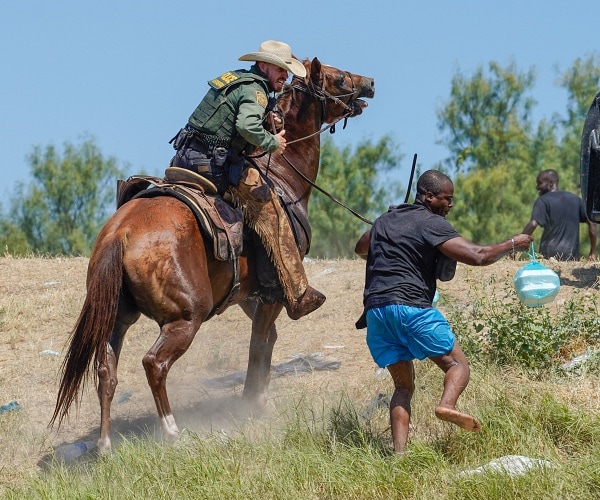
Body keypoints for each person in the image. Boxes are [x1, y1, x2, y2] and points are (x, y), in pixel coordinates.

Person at [355, 170, 533, 453]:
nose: (450, 205)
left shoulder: (385, 220)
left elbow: (361, 247)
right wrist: (512, 244)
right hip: (411, 307)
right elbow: (478, 255)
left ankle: (399, 455)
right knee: (457, 365)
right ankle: (447, 406)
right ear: (428, 196)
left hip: (377, 313)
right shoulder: (431, 223)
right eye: (446, 199)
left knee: (402, 387)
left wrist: (387, 225)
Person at [168, 40, 325, 320]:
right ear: (264, 65)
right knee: (272, 209)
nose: (285, 76)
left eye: (286, 71)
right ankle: (297, 292)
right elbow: (246, 125)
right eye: (280, 70)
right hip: (214, 166)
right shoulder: (257, 91)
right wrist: (272, 142)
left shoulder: (237, 81)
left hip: (185, 159)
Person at [522, 169, 597, 261]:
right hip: (571, 257)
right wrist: (593, 252)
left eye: (539, 183)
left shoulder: (543, 200)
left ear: (550, 183)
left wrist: (517, 244)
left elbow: (533, 224)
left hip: (549, 255)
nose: (537, 187)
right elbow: (592, 223)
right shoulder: (576, 200)